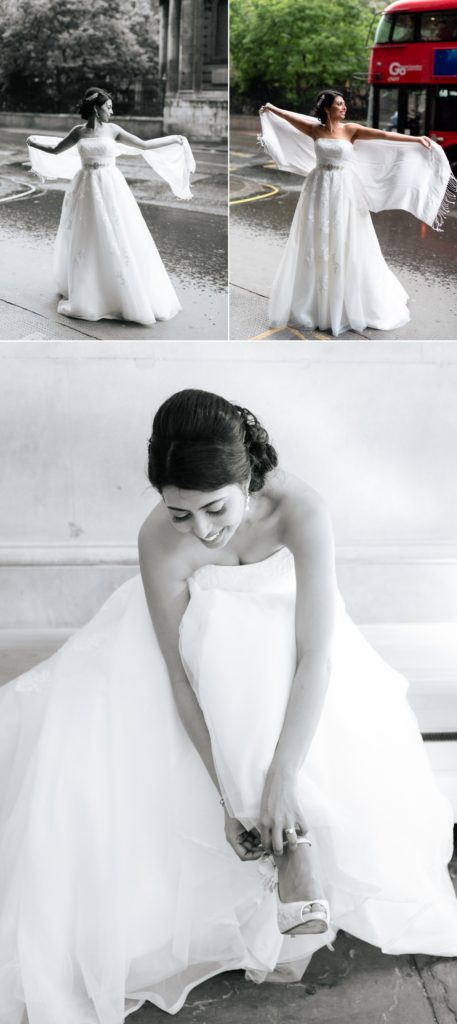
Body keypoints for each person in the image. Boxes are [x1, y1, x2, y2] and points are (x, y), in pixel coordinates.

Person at [0, 389, 456, 1024]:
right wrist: (229, 797)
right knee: (225, 653)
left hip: (298, 661)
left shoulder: (303, 510)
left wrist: (282, 778)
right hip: (199, 666)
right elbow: (179, 676)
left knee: (265, 652)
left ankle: (292, 831)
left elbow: (315, 655)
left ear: (247, 478)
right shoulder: (159, 541)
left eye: (214, 508)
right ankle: (291, 850)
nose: (201, 530)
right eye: (178, 513)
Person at [259, 90, 455, 337]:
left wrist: (416, 140)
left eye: (343, 104)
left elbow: (384, 135)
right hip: (318, 188)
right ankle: (315, 304)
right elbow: (288, 118)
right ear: (327, 108)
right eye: (339, 104)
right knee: (317, 239)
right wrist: (271, 108)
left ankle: (347, 301)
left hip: (344, 190)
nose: (344, 108)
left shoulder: (351, 129)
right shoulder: (314, 130)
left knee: (346, 238)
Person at [27, 87, 194, 325]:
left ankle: (121, 291)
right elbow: (55, 150)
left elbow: (143, 145)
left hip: (110, 186)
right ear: (96, 108)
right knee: (88, 237)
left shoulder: (114, 130)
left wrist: (174, 139)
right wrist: (33, 143)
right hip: (85, 188)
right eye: (108, 107)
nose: (112, 112)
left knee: (118, 234)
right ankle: (89, 290)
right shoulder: (78, 132)